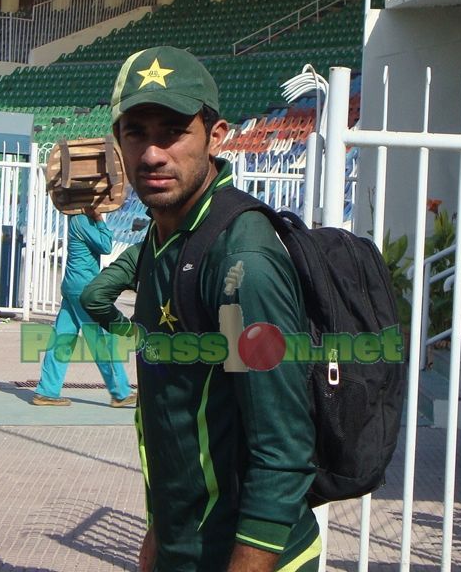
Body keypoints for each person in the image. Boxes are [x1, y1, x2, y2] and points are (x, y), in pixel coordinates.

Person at [82, 46, 319, 571]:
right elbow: (176, 414)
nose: (151, 154)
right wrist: (159, 537)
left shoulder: (241, 263)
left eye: (172, 131)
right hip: (183, 546)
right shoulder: (165, 235)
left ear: (215, 136)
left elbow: (283, 449)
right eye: (136, 132)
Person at [32, 207, 137, 407]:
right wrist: (99, 219)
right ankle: (120, 392)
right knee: (102, 340)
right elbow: (106, 246)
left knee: (62, 338)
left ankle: (47, 391)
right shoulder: (82, 220)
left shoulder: (75, 219)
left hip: (72, 286)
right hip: (84, 289)